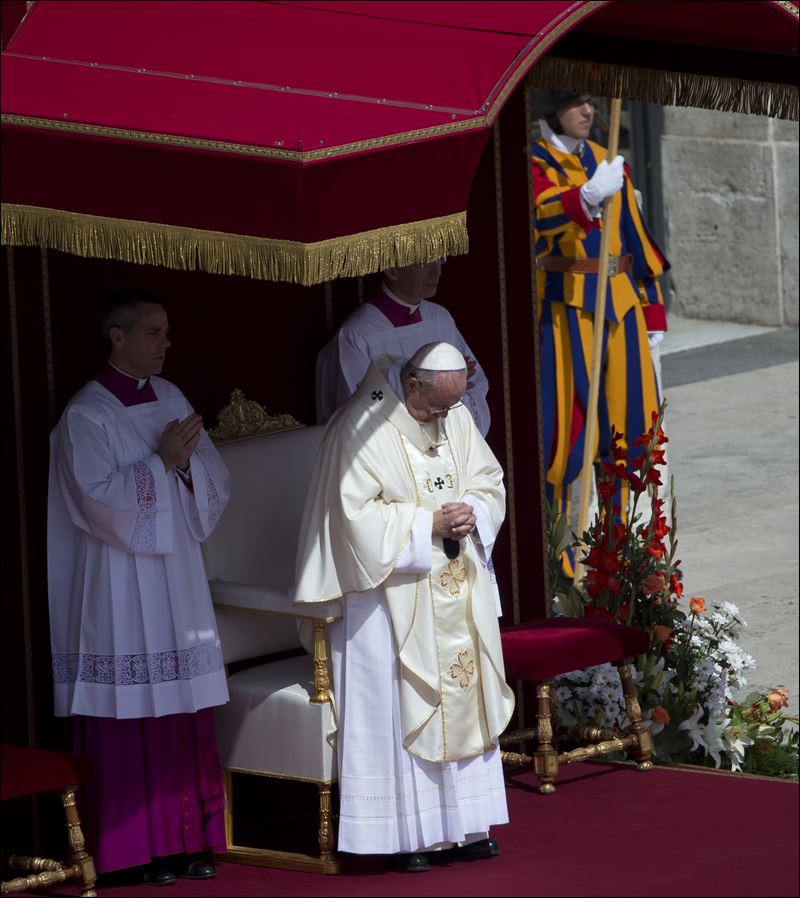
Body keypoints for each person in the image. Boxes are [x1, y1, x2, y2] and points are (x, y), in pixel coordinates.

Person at [294, 341, 515, 872]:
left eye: (451, 409)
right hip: (386, 595)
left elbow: (489, 479)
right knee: (401, 700)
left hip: (454, 584)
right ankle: (403, 835)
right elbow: (354, 517)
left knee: (462, 691)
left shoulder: (452, 412)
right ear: (411, 385)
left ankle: (465, 824)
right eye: (436, 408)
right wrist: (426, 526)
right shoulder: (360, 426)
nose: (444, 420)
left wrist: (475, 511)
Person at [47, 289, 231, 886]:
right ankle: (132, 850)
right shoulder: (86, 415)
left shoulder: (171, 396)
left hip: (174, 575)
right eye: (154, 333)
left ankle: (186, 842)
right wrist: (161, 463)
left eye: (167, 332)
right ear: (117, 338)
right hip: (117, 584)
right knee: (129, 710)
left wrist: (181, 465)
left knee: (180, 706)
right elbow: (95, 501)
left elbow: (212, 475)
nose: (166, 343)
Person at [531, 91, 670, 573]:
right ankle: (559, 558)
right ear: (550, 108)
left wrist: (652, 316)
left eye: (591, 102)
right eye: (576, 103)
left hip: (621, 305)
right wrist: (585, 196)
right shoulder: (537, 161)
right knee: (566, 432)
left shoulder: (607, 159)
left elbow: (634, 238)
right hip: (568, 308)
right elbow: (535, 217)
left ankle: (620, 554)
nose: (588, 112)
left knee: (627, 428)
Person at [315, 260, 491, 435]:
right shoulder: (357, 335)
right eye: (424, 262)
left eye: (440, 259)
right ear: (392, 269)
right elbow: (359, 411)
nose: (436, 271)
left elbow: (476, 386)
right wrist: (430, 391)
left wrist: (456, 387)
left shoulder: (440, 319)